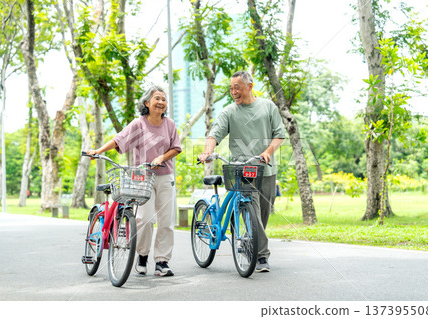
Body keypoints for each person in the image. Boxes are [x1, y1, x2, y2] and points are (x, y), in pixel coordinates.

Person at [87, 85, 182, 277]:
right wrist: (98, 151)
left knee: (166, 220)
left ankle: (162, 261)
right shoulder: (138, 124)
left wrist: (161, 158)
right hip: (142, 177)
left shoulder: (169, 124)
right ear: (147, 102)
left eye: (163, 99)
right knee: (144, 219)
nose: (161, 102)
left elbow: (176, 148)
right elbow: (118, 140)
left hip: (165, 176)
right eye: (157, 98)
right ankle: (142, 256)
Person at [198, 71, 285, 272]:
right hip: (242, 170)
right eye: (231, 88)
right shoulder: (229, 112)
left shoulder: (267, 107)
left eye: (237, 87)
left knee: (262, 214)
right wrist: (207, 151)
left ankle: (249, 242)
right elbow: (215, 134)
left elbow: (279, 135)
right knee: (252, 211)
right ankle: (262, 256)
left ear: (250, 86)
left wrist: (268, 151)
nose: (233, 92)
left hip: (266, 169)